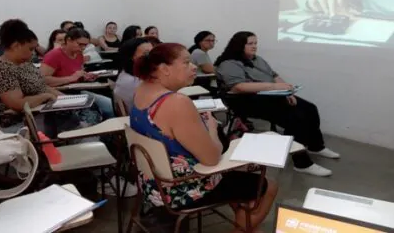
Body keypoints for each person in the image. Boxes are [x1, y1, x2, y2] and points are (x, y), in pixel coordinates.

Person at [131, 43, 277, 231]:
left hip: (151, 184)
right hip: (182, 188)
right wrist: (211, 129)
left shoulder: (141, 90)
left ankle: (245, 219)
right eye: (186, 62)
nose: (194, 67)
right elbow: (211, 159)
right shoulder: (176, 102)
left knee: (241, 184)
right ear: (164, 69)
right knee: (268, 186)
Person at [215, 31, 340, 177]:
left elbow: (274, 76)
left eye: (256, 43)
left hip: (269, 96)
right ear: (239, 45)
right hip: (245, 101)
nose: (254, 46)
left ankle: (315, 146)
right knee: (294, 118)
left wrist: (287, 92)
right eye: (250, 43)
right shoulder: (229, 63)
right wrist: (275, 88)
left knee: (310, 108)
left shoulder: (257, 59)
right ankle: (302, 163)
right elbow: (239, 87)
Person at [0, 20, 101, 134]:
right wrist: (47, 96)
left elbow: (42, 85)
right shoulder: (0, 68)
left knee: (93, 110)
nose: (33, 54)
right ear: (16, 46)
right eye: (30, 49)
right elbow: (18, 105)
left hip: (44, 112)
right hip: (23, 122)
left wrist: (67, 100)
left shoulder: (24, 64)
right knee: (88, 126)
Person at [41, 28, 115, 120]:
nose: (83, 48)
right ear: (68, 40)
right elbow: (42, 81)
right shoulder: (53, 55)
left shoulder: (78, 54)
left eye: (85, 45)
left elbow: (77, 73)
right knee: (92, 115)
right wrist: (71, 78)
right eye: (80, 44)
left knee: (109, 105)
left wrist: (85, 76)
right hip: (59, 94)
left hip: (77, 90)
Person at [114, 38, 153, 111]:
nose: (153, 57)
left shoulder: (127, 73)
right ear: (131, 57)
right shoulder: (132, 80)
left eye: (153, 52)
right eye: (146, 53)